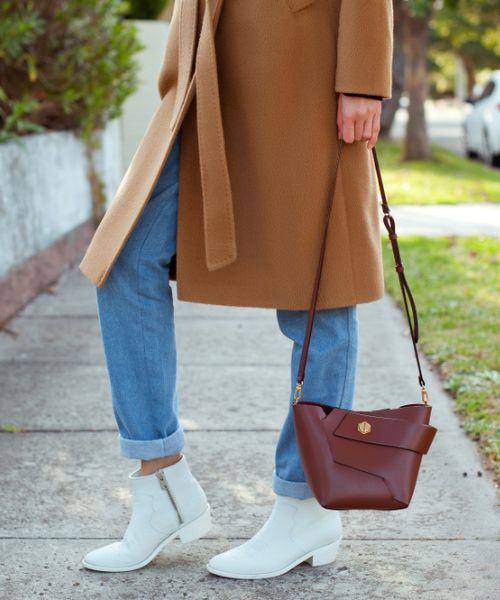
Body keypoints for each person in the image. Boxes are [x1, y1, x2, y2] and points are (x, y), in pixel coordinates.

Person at [79, 0, 393, 580]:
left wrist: (363, 77)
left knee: (317, 291)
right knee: (122, 257)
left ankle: (306, 504)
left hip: (303, 58)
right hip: (208, 60)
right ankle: (161, 483)